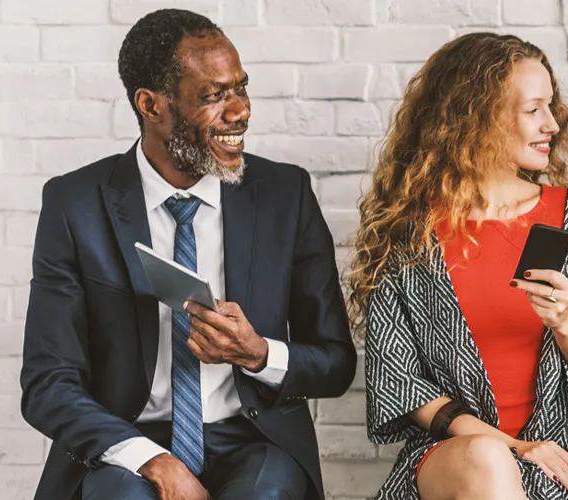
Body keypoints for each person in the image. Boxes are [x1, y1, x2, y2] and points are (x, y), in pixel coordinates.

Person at [20, 9, 357, 500]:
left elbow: (335, 361)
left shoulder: (286, 194)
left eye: (241, 88)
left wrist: (259, 354)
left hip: (253, 440)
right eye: (214, 96)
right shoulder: (75, 205)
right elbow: (48, 381)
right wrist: (151, 459)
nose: (240, 110)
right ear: (151, 105)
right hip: (128, 440)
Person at [347, 32, 568, 500]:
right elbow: (401, 381)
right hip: (454, 457)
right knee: (486, 459)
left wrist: (564, 321)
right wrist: (515, 447)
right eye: (532, 109)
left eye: (551, 107)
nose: (552, 126)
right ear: (478, 118)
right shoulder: (411, 233)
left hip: (563, 457)